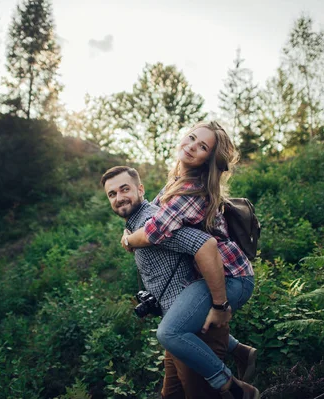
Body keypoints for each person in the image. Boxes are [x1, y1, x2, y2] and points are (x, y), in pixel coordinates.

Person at [120, 121, 259, 398]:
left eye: (203, 146)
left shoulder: (193, 190)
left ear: (208, 159)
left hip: (231, 277)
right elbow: (154, 214)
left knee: (169, 333)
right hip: (208, 276)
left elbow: (153, 232)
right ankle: (241, 353)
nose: (193, 146)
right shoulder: (176, 180)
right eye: (192, 138)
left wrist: (127, 239)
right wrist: (129, 229)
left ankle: (233, 387)